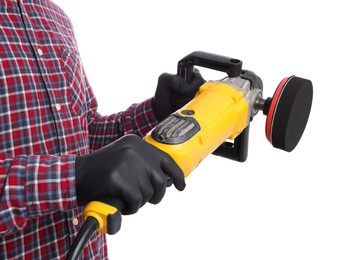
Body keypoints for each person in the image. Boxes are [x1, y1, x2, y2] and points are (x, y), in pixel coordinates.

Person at [0, 1, 204, 259]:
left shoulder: (54, 17)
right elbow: (82, 169)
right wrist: (74, 178)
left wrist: (155, 112)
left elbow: (83, 132)